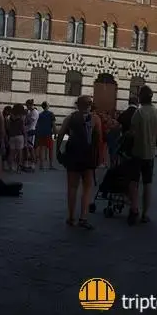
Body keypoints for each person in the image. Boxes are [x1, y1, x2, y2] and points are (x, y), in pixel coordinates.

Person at [57, 94, 101, 229]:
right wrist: (98, 158)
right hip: (88, 157)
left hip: (73, 155)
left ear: (78, 105)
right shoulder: (95, 119)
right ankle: (83, 217)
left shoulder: (70, 118)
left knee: (72, 187)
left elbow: (60, 135)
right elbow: (98, 139)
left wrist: (58, 151)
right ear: (90, 105)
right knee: (87, 188)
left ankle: (71, 217)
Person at [127, 85, 157, 225]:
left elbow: (132, 133)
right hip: (150, 154)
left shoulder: (139, 113)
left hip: (137, 153)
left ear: (141, 97)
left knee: (134, 182)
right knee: (148, 184)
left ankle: (134, 208)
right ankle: (145, 214)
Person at [35, 101, 56, 170]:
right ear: (47, 106)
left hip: (41, 134)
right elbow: (53, 125)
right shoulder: (51, 114)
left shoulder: (40, 114)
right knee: (50, 149)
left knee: (42, 149)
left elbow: (38, 125)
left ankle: (41, 165)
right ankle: (50, 165)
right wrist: (55, 133)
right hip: (48, 133)